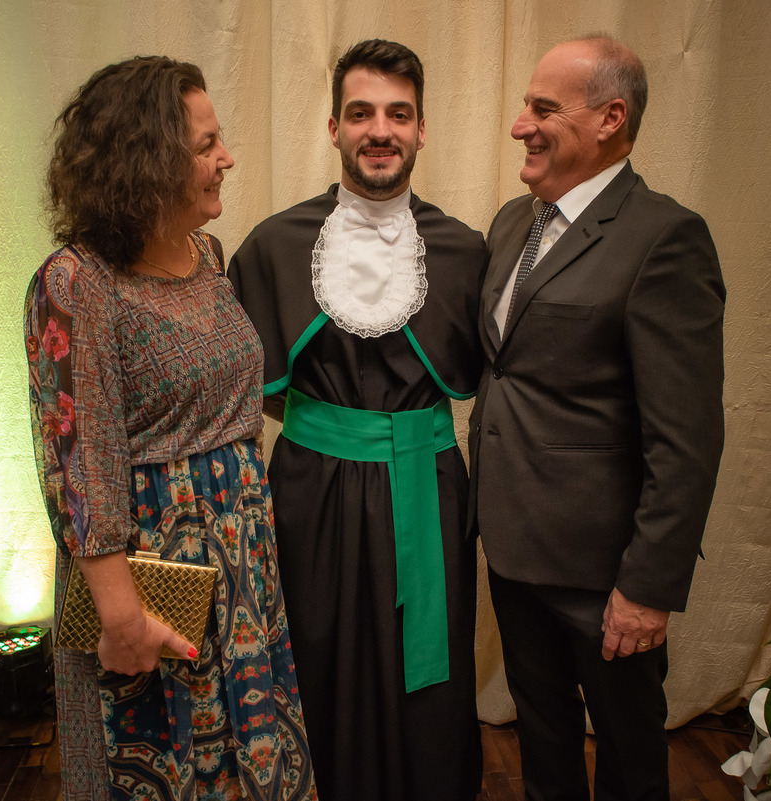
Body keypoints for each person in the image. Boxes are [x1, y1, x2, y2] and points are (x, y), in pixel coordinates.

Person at [24, 56, 317, 801]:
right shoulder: (77, 282)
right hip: (150, 573)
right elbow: (77, 459)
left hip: (242, 561)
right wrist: (121, 615)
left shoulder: (207, 255)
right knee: (161, 767)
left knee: (251, 759)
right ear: (144, 160)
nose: (226, 158)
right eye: (205, 145)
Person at [228, 39, 485, 801]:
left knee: (426, 677)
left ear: (422, 129)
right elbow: (245, 390)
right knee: (315, 654)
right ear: (333, 127)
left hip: (427, 488)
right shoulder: (273, 246)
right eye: (362, 113)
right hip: (309, 489)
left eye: (399, 114)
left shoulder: (468, 250)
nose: (381, 130)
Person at [470, 35, 725, 801]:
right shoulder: (515, 221)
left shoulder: (664, 239)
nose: (520, 124)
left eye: (543, 108)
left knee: (626, 753)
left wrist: (647, 587)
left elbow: (687, 438)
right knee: (542, 734)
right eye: (525, 105)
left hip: (604, 574)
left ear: (611, 117)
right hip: (513, 549)